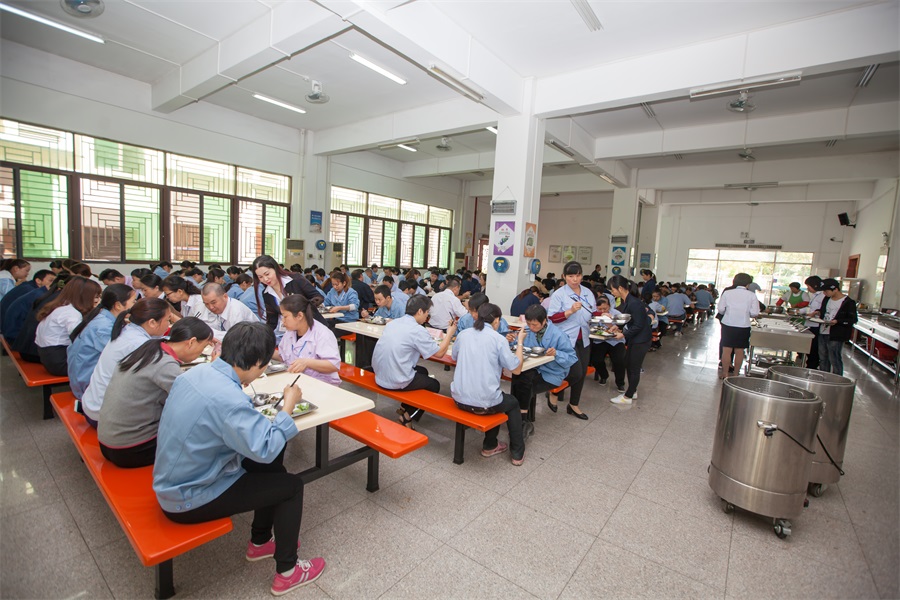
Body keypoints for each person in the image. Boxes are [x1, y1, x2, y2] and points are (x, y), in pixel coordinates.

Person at [153, 322, 325, 594]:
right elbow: (265, 446)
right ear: (257, 362)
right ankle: (288, 572)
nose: (263, 371)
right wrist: (288, 406)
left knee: (273, 470)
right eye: (264, 366)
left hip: (176, 476)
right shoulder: (229, 400)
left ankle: (259, 543)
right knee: (291, 486)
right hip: (189, 495)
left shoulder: (193, 375)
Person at [98, 318, 213, 468]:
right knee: (203, 435)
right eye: (203, 347)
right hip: (131, 449)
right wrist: (214, 372)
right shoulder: (165, 365)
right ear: (191, 342)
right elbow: (195, 403)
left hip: (109, 441)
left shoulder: (151, 348)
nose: (201, 352)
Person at [452, 303, 527, 465]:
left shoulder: (463, 334)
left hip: (458, 399)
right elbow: (517, 369)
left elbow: (454, 357)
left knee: (496, 397)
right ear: (497, 320)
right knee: (512, 403)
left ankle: (492, 444)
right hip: (484, 403)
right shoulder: (498, 339)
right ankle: (517, 452)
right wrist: (520, 342)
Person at [80, 298, 173, 427]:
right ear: (152, 322)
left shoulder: (128, 330)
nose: (169, 324)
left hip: (92, 405)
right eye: (168, 320)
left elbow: (158, 339)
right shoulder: (138, 344)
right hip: (104, 417)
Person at [372, 295, 455, 427]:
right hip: (395, 379)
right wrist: (450, 333)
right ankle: (407, 416)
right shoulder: (417, 330)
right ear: (420, 311)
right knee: (434, 385)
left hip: (380, 375)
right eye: (427, 313)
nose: (427, 317)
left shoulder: (393, 323)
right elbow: (439, 353)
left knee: (423, 371)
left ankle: (406, 407)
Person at [511, 304, 578, 438]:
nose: (531, 327)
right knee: (518, 378)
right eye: (529, 323)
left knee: (525, 385)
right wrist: (513, 339)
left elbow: (572, 358)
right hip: (534, 368)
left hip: (552, 373)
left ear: (545, 321)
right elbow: (517, 347)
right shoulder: (528, 331)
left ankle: (521, 421)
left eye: (535, 324)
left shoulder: (558, 335)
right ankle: (521, 420)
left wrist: (556, 354)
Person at [67, 284, 137, 399]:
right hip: (88, 387)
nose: (136, 304)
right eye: (133, 301)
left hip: (83, 378)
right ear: (118, 305)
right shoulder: (103, 327)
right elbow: (122, 355)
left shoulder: (103, 316)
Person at [547, 261, 597, 419]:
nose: (575, 279)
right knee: (576, 373)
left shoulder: (588, 292)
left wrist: (603, 317)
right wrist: (569, 311)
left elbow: (593, 312)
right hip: (566, 339)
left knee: (582, 374)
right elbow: (552, 318)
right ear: (564, 277)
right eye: (571, 276)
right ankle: (554, 389)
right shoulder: (559, 294)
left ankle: (573, 405)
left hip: (584, 337)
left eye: (578, 275)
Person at [35, 277, 102, 375]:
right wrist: (96, 313)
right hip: (59, 362)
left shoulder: (62, 305)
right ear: (84, 296)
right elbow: (82, 339)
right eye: (96, 297)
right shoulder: (71, 313)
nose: (98, 300)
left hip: (49, 356)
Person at [274, 294, 341, 386]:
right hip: (297, 381)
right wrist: (267, 353)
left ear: (299, 316)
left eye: (285, 316)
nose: (283, 321)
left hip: (322, 385)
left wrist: (307, 362)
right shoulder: (290, 332)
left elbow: (333, 365)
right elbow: (284, 356)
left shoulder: (322, 333)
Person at [251, 255, 326, 334]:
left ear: (275, 268)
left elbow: (318, 297)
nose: (265, 279)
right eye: (260, 277)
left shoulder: (295, 279)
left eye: (267, 274)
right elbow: (272, 321)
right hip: (293, 333)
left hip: (314, 328)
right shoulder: (267, 294)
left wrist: (302, 308)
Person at [607, 275, 652, 405]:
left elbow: (638, 325)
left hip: (641, 340)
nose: (612, 292)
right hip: (636, 338)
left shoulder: (634, 303)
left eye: (612, 289)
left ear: (620, 288)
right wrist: (617, 326)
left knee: (634, 367)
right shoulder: (627, 301)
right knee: (629, 363)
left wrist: (623, 335)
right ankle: (633, 390)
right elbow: (628, 319)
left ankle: (627, 397)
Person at [715, 273, 760, 379]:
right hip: (743, 325)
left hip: (728, 324)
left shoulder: (727, 293)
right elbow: (754, 313)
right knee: (739, 350)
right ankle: (735, 374)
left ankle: (725, 373)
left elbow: (721, 309)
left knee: (726, 349)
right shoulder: (752, 295)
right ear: (748, 284)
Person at [814, 278, 857, 376]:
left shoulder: (848, 302)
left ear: (835, 289)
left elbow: (852, 319)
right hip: (823, 331)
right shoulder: (827, 299)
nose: (824, 293)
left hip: (836, 334)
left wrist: (837, 321)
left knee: (834, 358)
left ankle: (837, 379)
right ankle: (823, 377)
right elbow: (824, 311)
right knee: (823, 357)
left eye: (826, 291)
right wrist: (817, 312)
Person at [590, 296, 627, 392]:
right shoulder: (594, 314)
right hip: (600, 340)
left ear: (609, 306)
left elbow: (621, 329)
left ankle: (620, 383)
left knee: (619, 360)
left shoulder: (617, 314)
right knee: (596, 359)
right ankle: (604, 375)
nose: (602, 310)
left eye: (605, 308)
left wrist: (608, 322)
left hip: (615, 340)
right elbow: (591, 328)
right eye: (600, 309)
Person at [798, 276, 825, 369]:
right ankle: (809, 364)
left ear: (815, 285)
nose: (808, 288)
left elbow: (820, 310)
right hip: (810, 323)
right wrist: (800, 311)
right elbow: (810, 308)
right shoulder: (815, 295)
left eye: (809, 286)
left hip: (816, 325)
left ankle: (812, 366)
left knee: (814, 348)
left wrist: (814, 313)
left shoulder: (823, 296)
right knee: (809, 347)